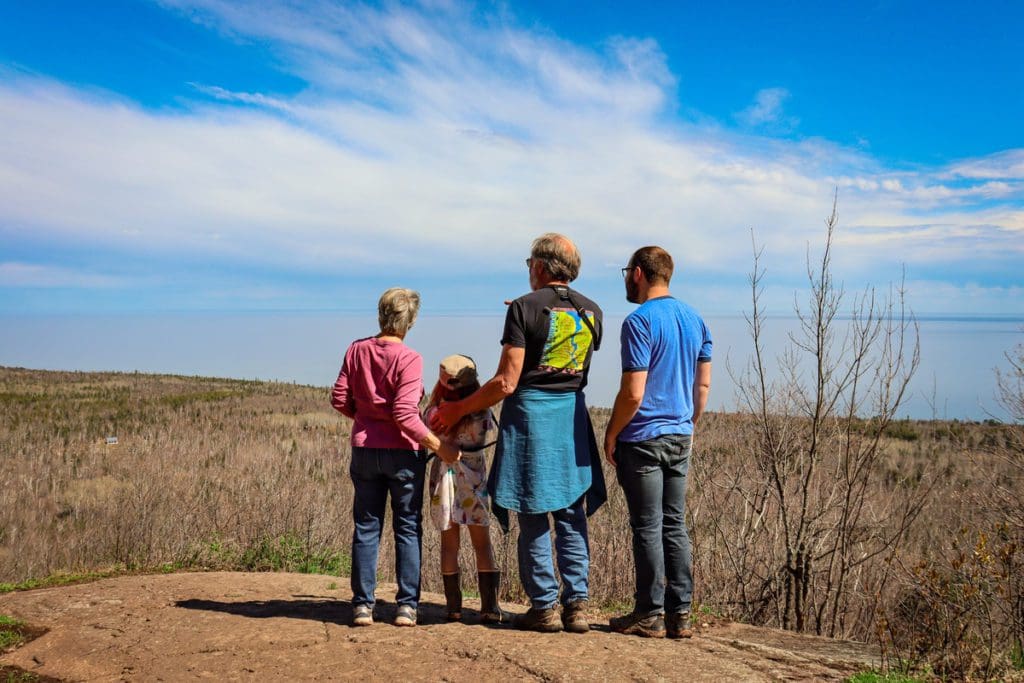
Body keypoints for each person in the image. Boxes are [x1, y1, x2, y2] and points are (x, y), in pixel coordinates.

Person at [430, 233, 606, 634]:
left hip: (531, 417)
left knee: (532, 512)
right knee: (570, 513)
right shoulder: (593, 311)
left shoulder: (525, 308)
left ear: (540, 267)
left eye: (530, 263)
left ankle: (543, 607)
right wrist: (527, 311)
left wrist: (458, 407)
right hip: (572, 419)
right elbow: (560, 331)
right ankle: (576, 606)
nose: (528, 268)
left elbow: (507, 382)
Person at [331, 287, 461, 628]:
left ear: (380, 314)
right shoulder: (410, 358)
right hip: (404, 454)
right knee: (406, 527)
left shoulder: (356, 349)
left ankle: (362, 606)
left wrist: (365, 420)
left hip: (364, 449)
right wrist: (439, 446)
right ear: (411, 320)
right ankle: (406, 607)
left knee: (366, 526)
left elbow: (339, 398)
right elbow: (405, 413)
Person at [603, 246, 712, 639]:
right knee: (674, 524)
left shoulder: (639, 321)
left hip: (643, 436)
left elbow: (633, 391)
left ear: (637, 274)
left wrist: (612, 432)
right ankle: (679, 614)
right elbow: (703, 383)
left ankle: (649, 613)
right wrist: (690, 420)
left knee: (647, 526)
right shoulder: (695, 319)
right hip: (680, 434)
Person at [422, 354, 509, 624]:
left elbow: (424, 432)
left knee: (449, 545)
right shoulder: (481, 412)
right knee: (482, 544)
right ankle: (489, 607)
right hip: (474, 479)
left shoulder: (435, 412)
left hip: (443, 479)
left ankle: (453, 608)